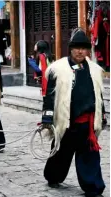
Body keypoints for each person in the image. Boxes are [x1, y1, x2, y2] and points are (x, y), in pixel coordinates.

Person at [41, 28, 107, 197]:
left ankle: (93, 187)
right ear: (70, 49)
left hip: (87, 123)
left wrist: (103, 114)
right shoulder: (58, 69)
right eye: (76, 47)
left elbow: (98, 95)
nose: (80, 51)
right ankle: (53, 177)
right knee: (60, 154)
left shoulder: (94, 70)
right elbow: (49, 96)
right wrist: (47, 117)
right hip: (67, 121)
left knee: (89, 156)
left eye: (83, 48)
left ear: (87, 50)